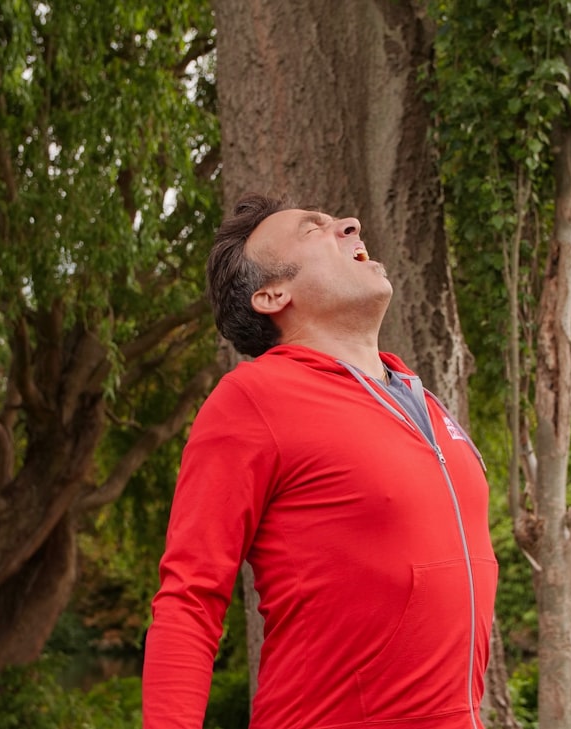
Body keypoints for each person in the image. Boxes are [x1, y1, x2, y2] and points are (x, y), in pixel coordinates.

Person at [142, 193, 498, 729]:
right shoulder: (251, 399)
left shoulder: (421, 400)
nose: (351, 224)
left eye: (340, 223)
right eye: (314, 230)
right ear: (271, 294)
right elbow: (190, 599)